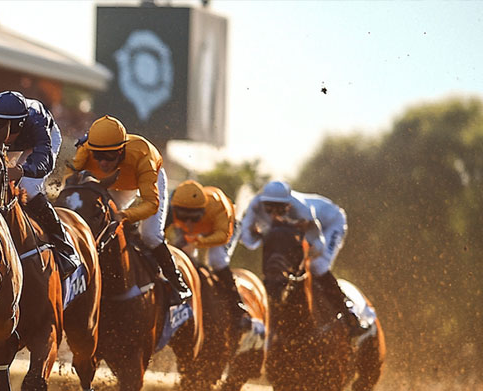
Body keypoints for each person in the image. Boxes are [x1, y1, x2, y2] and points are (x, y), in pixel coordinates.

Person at [71, 115, 190, 305]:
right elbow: (70, 183)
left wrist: (124, 215)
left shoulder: (144, 156)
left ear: (121, 150)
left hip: (143, 180)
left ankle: (177, 283)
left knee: (150, 235)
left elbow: (151, 204)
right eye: (98, 155)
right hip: (111, 182)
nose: (102, 162)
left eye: (109, 156)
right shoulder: (85, 151)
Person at [239, 180, 368, 335]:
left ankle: (348, 314)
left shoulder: (302, 210)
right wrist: (265, 235)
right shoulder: (254, 206)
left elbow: (318, 246)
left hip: (331, 222)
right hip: (300, 229)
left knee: (317, 266)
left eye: (280, 209)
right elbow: (248, 242)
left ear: (289, 205)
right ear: (262, 203)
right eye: (269, 208)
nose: (273, 213)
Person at [0, 90, 80, 273]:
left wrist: (22, 170)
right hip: (13, 146)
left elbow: (43, 161)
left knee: (28, 187)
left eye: (11, 127)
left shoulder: (37, 121)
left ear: (22, 123)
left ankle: (65, 247)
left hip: (38, 143)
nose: (5, 132)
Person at [168, 180, 251, 331]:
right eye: (183, 216)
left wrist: (198, 242)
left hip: (224, 228)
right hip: (195, 234)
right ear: (175, 209)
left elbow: (222, 236)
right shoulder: (171, 207)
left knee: (217, 260)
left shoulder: (218, 205)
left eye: (194, 217)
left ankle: (238, 309)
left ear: (202, 210)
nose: (189, 222)